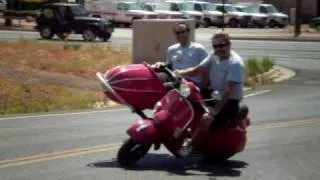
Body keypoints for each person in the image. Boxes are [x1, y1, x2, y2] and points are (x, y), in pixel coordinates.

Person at [175, 32, 245, 157]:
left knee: (205, 119)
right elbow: (197, 70)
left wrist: (213, 112)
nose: (218, 49)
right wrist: (179, 72)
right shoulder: (214, 56)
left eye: (222, 45)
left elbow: (228, 91)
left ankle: (192, 145)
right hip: (215, 95)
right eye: (215, 46)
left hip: (229, 102)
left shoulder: (235, 63)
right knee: (188, 102)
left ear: (229, 45)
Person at [153, 22, 210, 96]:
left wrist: (203, 88)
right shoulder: (172, 49)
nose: (180, 35)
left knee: (164, 87)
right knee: (155, 81)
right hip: (177, 81)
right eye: (177, 33)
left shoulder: (199, 49)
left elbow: (206, 69)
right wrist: (160, 64)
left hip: (192, 84)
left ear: (188, 32)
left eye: (183, 32)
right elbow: (168, 66)